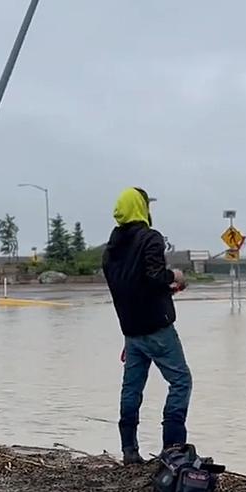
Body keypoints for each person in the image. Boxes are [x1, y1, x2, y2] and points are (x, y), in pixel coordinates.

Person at [103, 187, 191, 465]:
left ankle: (129, 451)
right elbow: (154, 277)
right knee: (181, 381)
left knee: (131, 389)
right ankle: (173, 449)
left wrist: (165, 291)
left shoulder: (111, 250)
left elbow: (131, 288)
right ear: (141, 208)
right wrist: (174, 275)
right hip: (158, 329)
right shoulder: (150, 238)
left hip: (132, 332)